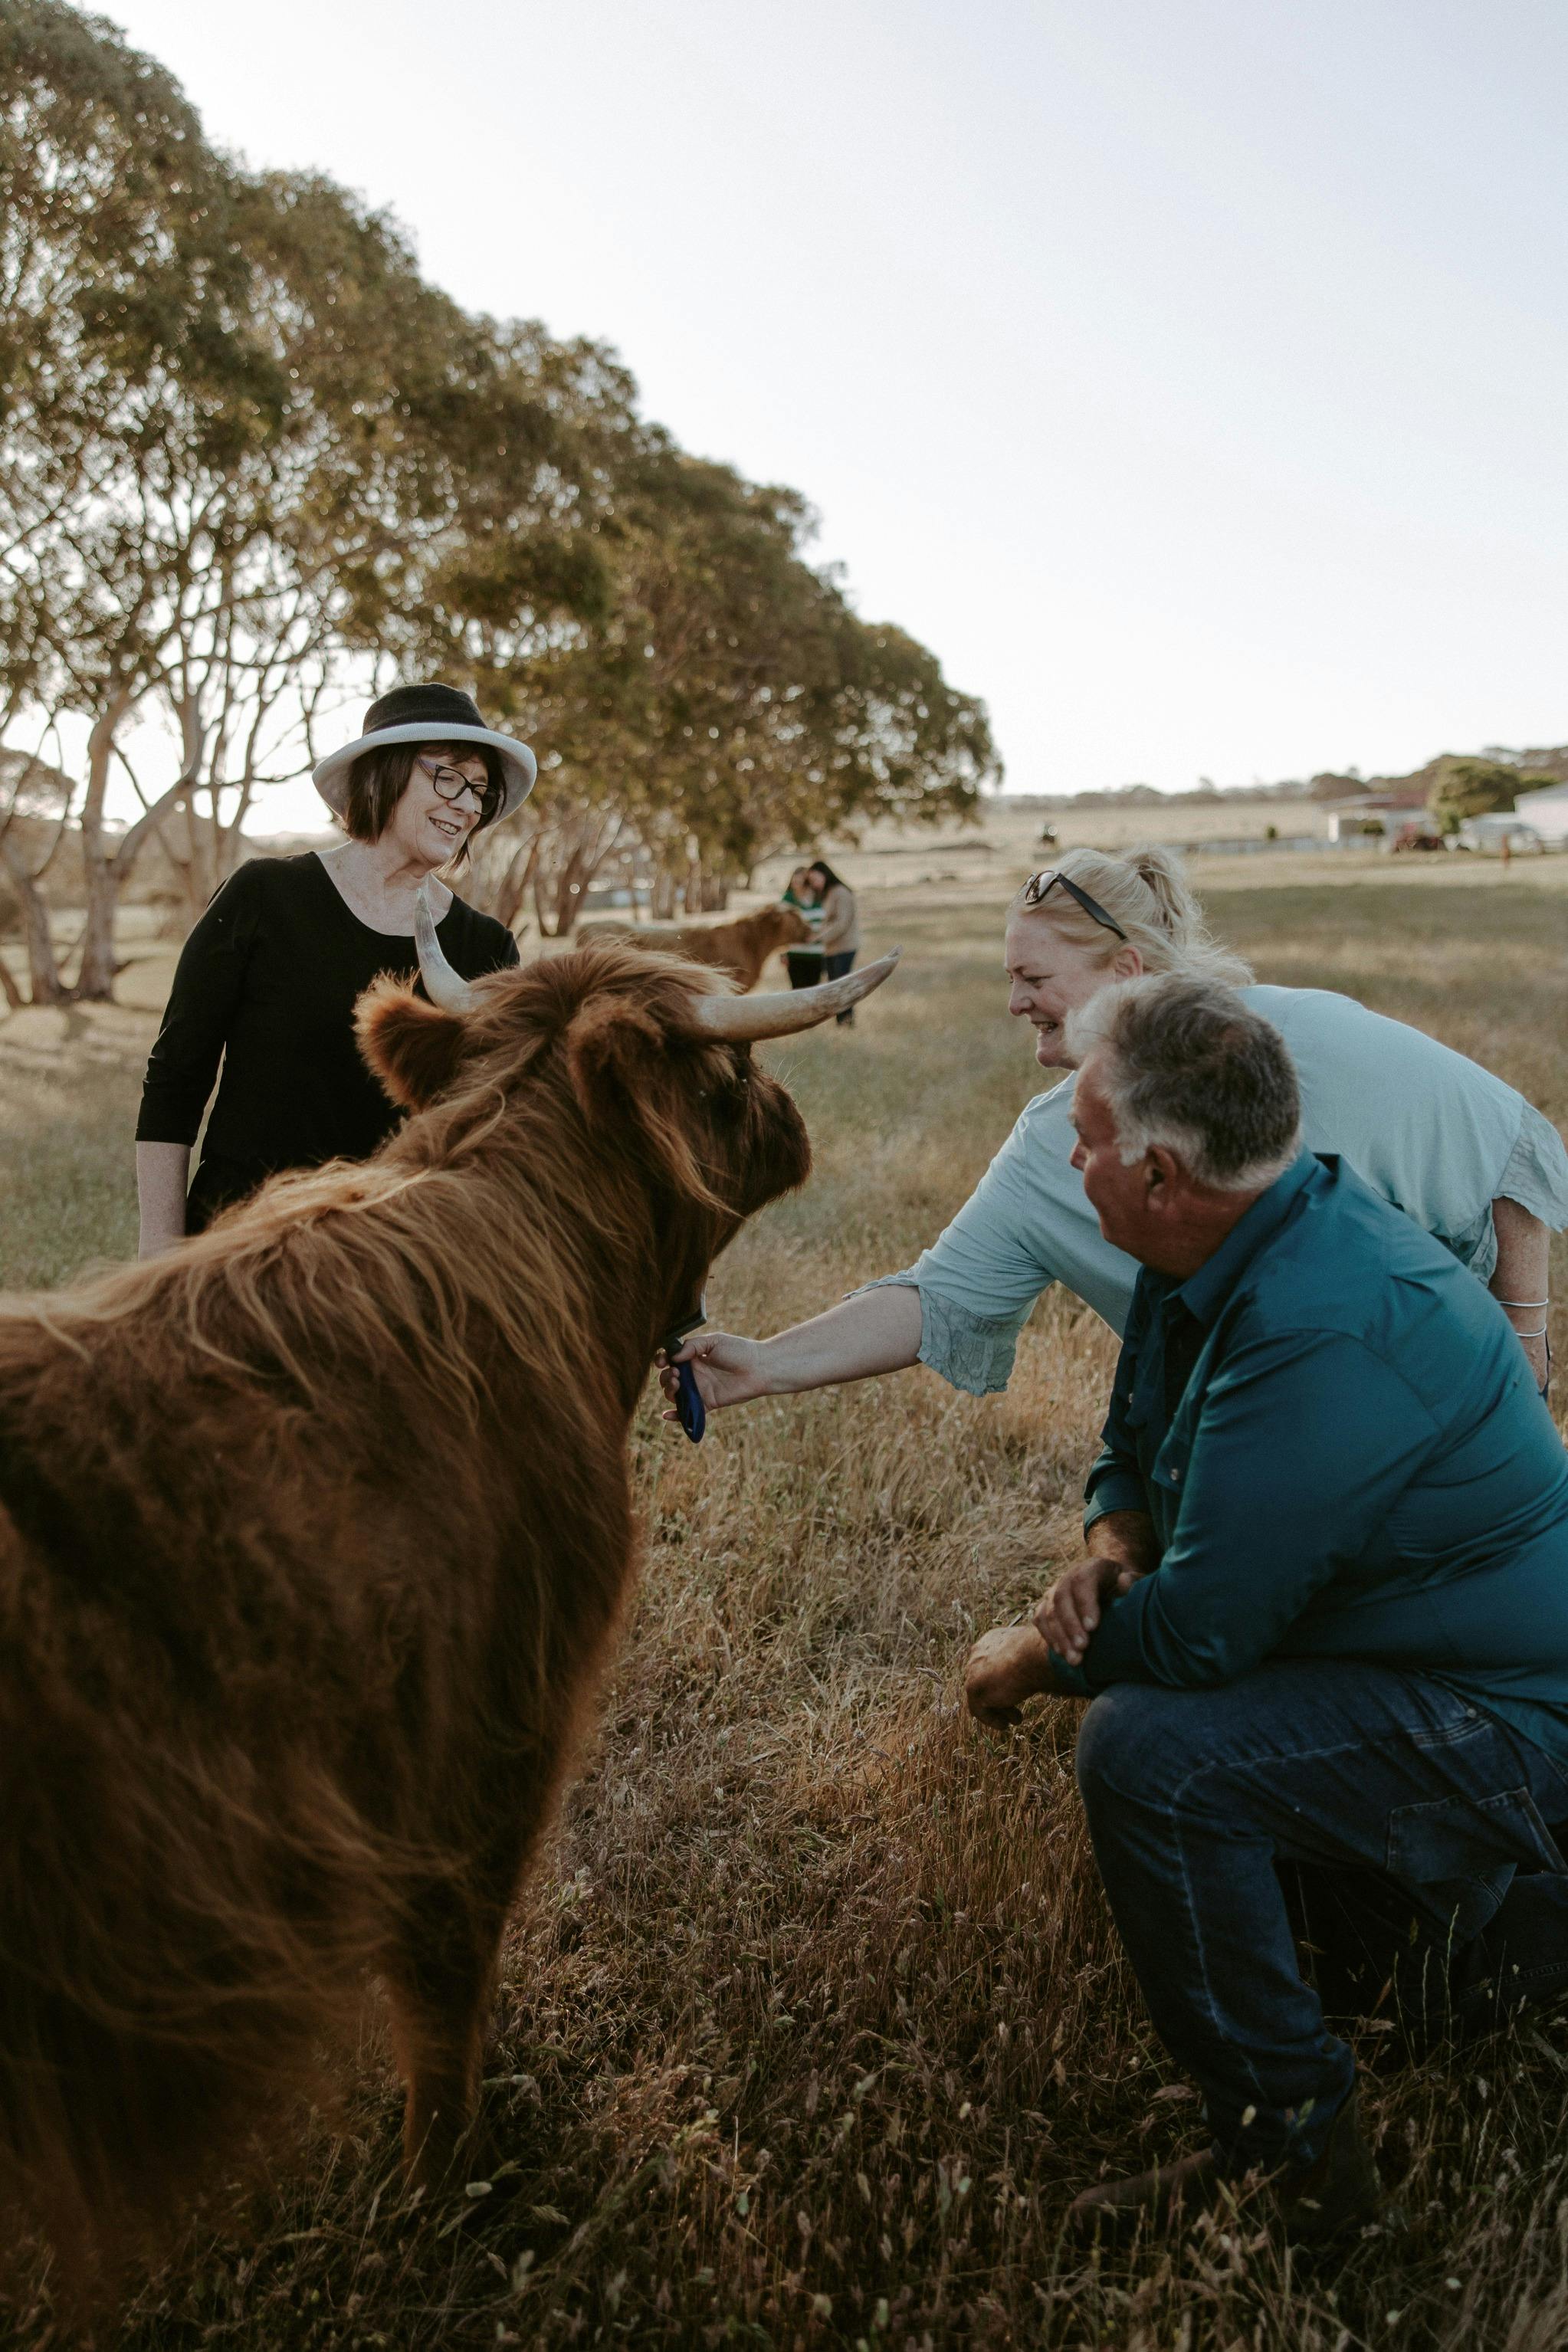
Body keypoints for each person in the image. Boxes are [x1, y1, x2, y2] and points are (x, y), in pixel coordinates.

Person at [963, 975, 1568, 2240]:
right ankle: (1447, 1940)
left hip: (1509, 1712)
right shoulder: (1232, 1234)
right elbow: (1128, 1438)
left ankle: (1293, 2169)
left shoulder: (1326, 1318)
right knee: (1389, 1971)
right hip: (1391, 1649)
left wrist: (1032, 1653)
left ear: (1166, 1171)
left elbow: (1197, 1636)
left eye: (1085, 1137)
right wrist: (1118, 1540)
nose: (1066, 1154)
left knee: (1152, 1753)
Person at [660, 845, 1566, 1420]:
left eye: (1032, 977)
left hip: (1429, 1392)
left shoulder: (1307, 1040)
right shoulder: (1051, 1149)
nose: (1012, 1003)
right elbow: (939, 1297)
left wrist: (1523, 1323)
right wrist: (768, 1365)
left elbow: (1503, 1136)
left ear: (1126, 972)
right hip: (1254, 1431)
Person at [135, 683, 533, 1251]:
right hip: (237, 1249)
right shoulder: (264, 896)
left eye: (480, 790)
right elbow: (175, 1078)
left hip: (385, 1267)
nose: (468, 805)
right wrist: (160, 1252)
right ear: (386, 772)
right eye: (449, 776)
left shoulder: (487, 947)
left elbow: (492, 1136)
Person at [805, 859, 860, 1026]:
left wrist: (820, 937)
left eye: (815, 879)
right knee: (835, 989)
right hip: (831, 949)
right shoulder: (828, 894)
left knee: (842, 989)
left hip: (844, 948)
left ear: (825, 874)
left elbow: (841, 923)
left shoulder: (840, 893)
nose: (814, 884)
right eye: (811, 881)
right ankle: (841, 1023)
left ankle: (846, 1022)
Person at [780, 866, 825, 989]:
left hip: (816, 954)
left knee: (814, 991)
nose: (797, 886)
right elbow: (782, 929)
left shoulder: (820, 898)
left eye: (801, 882)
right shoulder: (788, 900)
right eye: (795, 882)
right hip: (795, 954)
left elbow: (826, 924)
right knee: (797, 991)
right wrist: (783, 953)